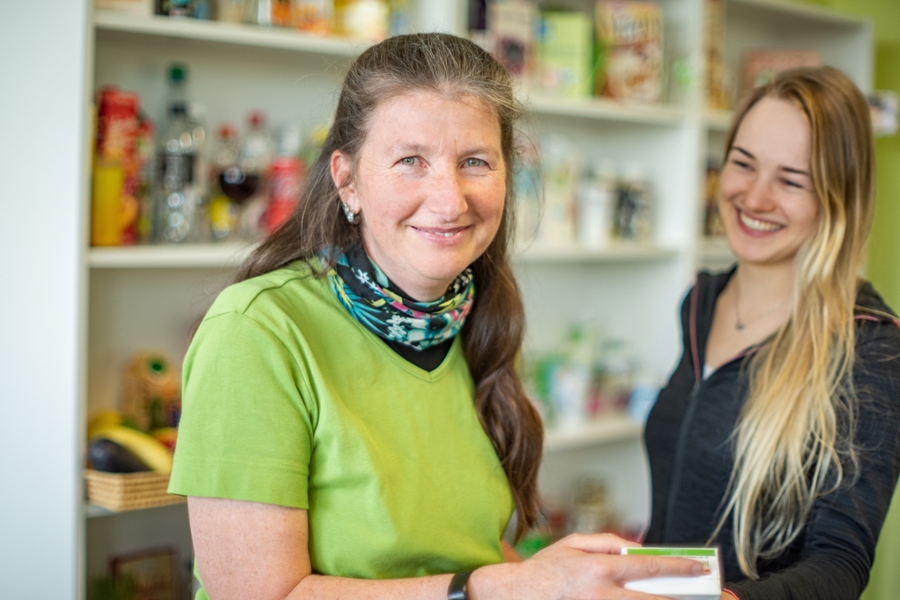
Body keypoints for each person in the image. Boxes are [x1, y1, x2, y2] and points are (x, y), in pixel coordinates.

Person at [169, 33, 701, 600]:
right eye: (410, 161)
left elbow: (464, 550)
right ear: (347, 179)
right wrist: (492, 590)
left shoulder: (473, 318)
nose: (449, 200)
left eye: (475, 161)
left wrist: (560, 578)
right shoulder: (256, 331)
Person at [644, 65, 900, 600]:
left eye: (790, 180)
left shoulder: (870, 348)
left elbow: (839, 567)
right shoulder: (702, 301)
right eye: (743, 164)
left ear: (838, 197)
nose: (754, 198)